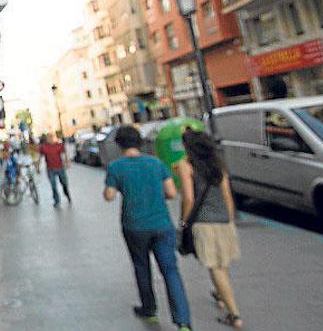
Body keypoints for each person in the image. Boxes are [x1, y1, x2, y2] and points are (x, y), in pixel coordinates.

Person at [104, 125, 192, 331]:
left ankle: (149, 309)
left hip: (134, 226)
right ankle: (183, 321)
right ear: (139, 142)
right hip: (161, 224)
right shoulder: (156, 163)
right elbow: (171, 193)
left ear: (119, 144)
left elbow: (109, 195)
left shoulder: (116, 167)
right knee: (170, 271)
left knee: (142, 267)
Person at [175, 129, 243, 328]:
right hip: (223, 220)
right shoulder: (218, 165)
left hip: (203, 223)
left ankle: (235, 315)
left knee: (215, 267)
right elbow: (227, 196)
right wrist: (229, 220)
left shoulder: (186, 166)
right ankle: (221, 296)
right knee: (222, 264)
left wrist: (183, 222)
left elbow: (188, 198)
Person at [38, 133, 71, 207]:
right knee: (53, 185)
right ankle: (57, 200)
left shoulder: (59, 145)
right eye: (48, 137)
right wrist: (38, 167)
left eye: (51, 137)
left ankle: (66, 193)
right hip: (50, 169)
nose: (49, 139)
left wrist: (67, 162)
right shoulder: (43, 147)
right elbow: (40, 157)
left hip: (60, 168)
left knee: (64, 183)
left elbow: (64, 154)